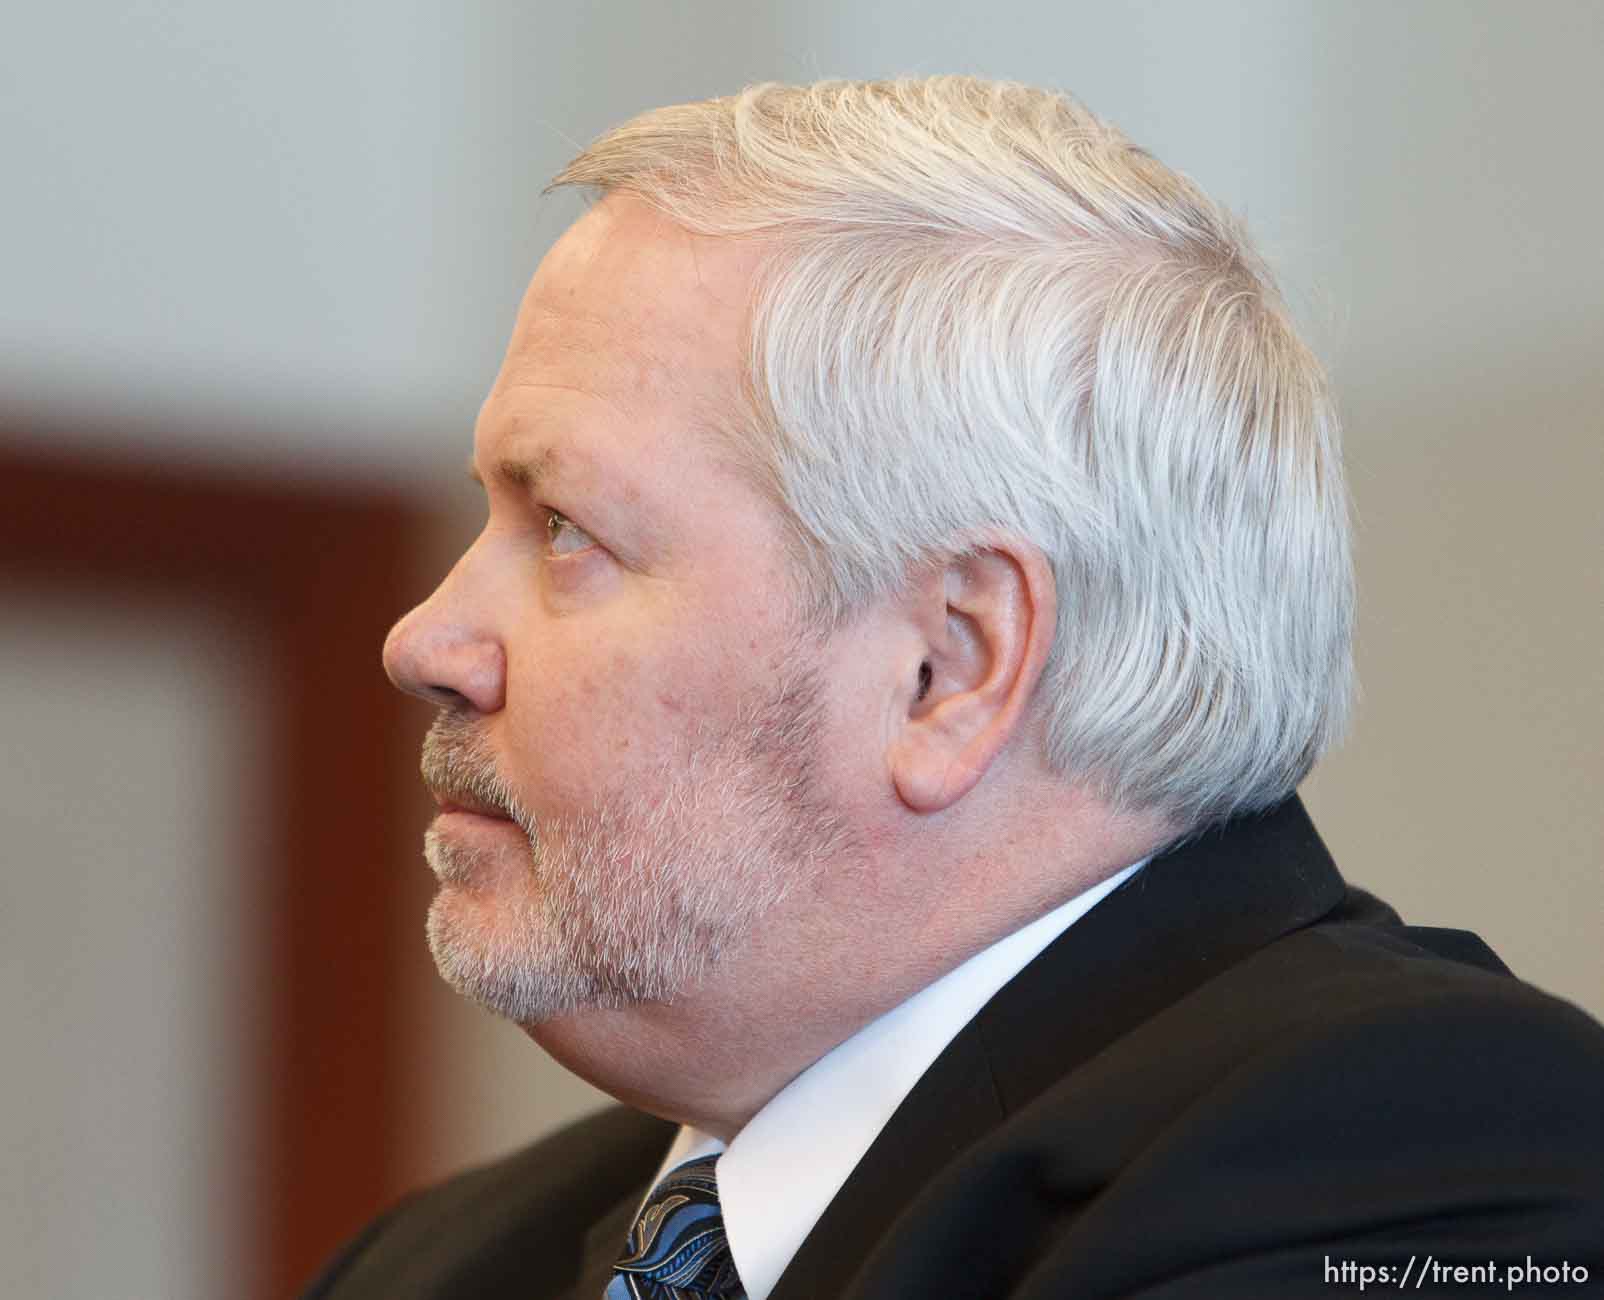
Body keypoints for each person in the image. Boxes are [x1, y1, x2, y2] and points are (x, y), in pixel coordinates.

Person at [306, 77, 1604, 1298]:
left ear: (948, 667)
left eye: (568, 530)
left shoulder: (1425, 1158)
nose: (425, 639)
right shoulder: (436, 1264)